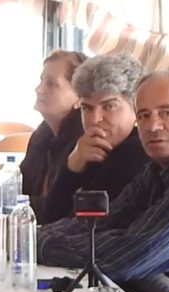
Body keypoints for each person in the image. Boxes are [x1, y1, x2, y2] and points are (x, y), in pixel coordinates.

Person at [37, 69, 169, 292]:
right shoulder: (158, 167)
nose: (153, 125)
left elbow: (133, 252)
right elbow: (104, 223)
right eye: (144, 115)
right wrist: (34, 237)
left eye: (166, 113)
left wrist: (36, 243)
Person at [37, 50, 152, 221]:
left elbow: (87, 227)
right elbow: (48, 218)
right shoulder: (82, 147)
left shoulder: (137, 151)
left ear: (135, 107)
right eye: (87, 108)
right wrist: (72, 168)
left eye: (109, 106)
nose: (95, 119)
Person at [19, 47, 85, 210]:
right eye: (41, 81)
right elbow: (19, 190)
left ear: (79, 97)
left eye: (51, 83)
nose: (39, 89)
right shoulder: (42, 136)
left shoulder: (83, 142)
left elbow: (58, 210)